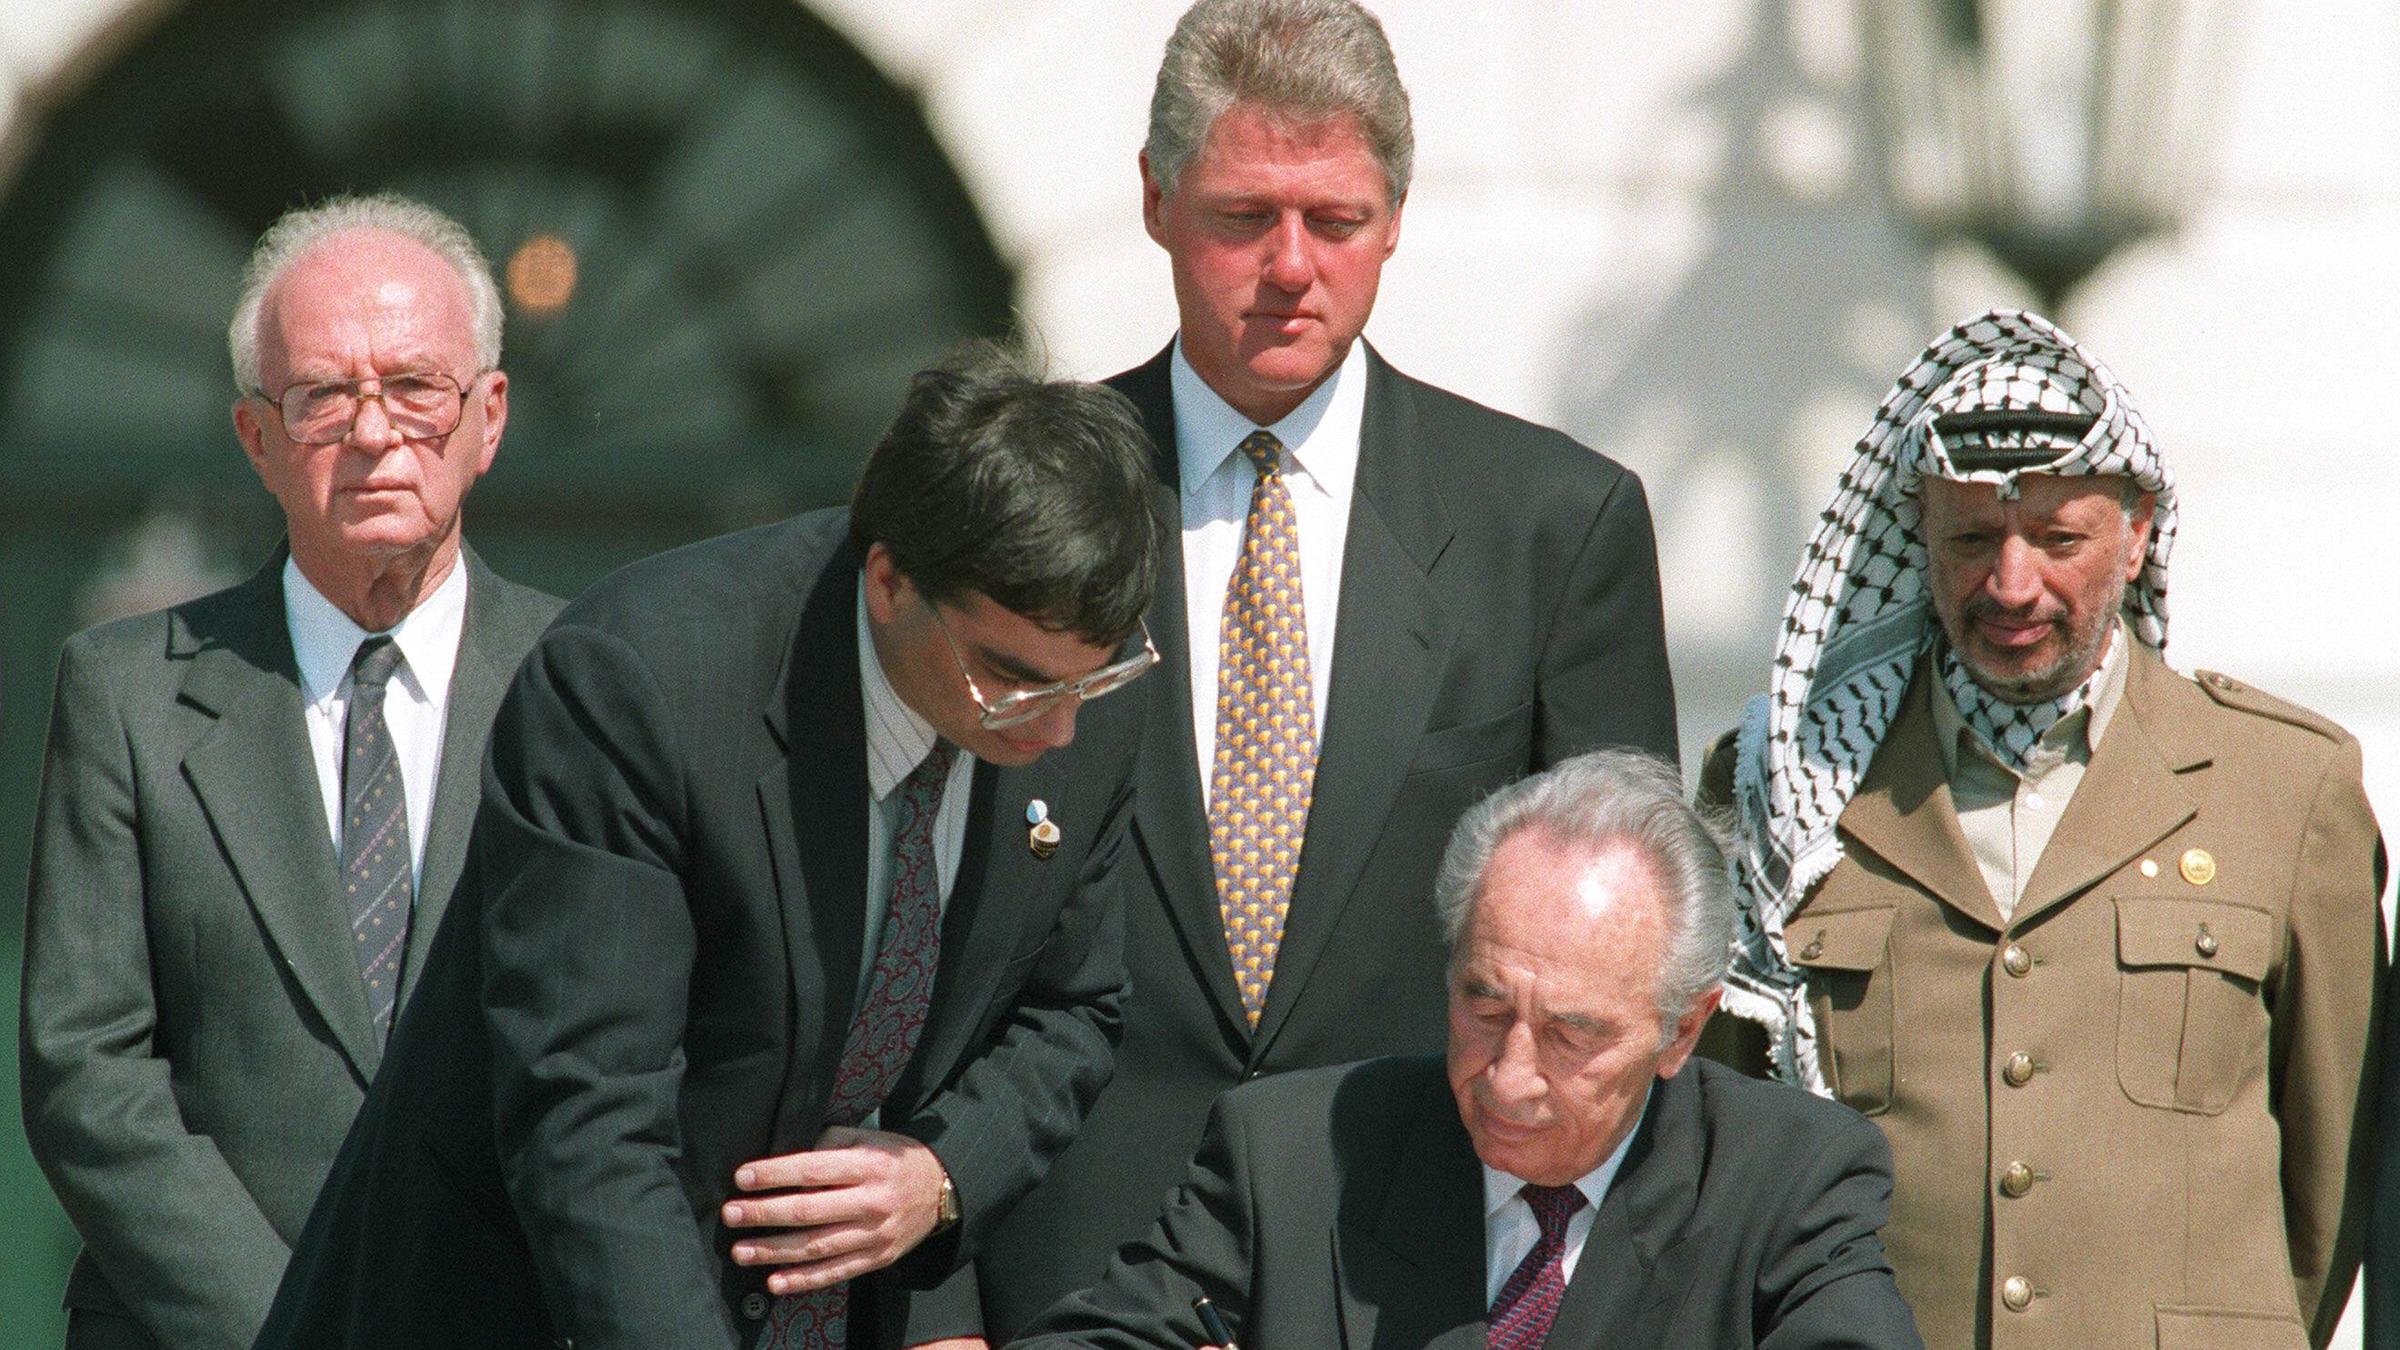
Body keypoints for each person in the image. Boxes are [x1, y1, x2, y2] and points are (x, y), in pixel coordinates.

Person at [972, 1, 1679, 1335]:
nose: (1290, 266)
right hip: (1065, 1270)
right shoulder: (1021, 496)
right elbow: (912, 919)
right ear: (1155, 200)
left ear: (1396, 217)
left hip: (1413, 1279)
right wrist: (935, 1301)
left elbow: (1628, 964)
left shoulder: (1551, 527)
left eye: (1336, 221)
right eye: (1244, 216)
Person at [254, 341, 1161, 1350]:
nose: (1056, 729)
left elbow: (1073, 1006)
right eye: (1012, 679)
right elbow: (592, 1125)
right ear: (890, 581)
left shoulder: (1081, 690)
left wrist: (942, 1178)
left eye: (1089, 680)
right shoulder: (641, 683)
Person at [1710, 309, 2386, 1347]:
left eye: (2058, 539)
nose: (2011, 584)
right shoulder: (1788, 793)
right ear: (1917, 534)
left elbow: (2334, 1189)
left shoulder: (2289, 788)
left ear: (2138, 531)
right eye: (1971, 539)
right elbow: (1725, 1140)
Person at [17, 193, 562, 1350]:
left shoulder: (591, 686)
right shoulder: (128, 694)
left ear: (489, 417)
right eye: (321, 396)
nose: (373, 433)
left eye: (414, 386)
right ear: (256, 437)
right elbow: (86, 1071)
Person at [1012, 749, 1921, 1349]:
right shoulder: (1288, 1153)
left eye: (1572, 1035)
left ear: (1682, 1028)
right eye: (1485, 1007)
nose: (1510, 1078)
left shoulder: (1788, 1179)